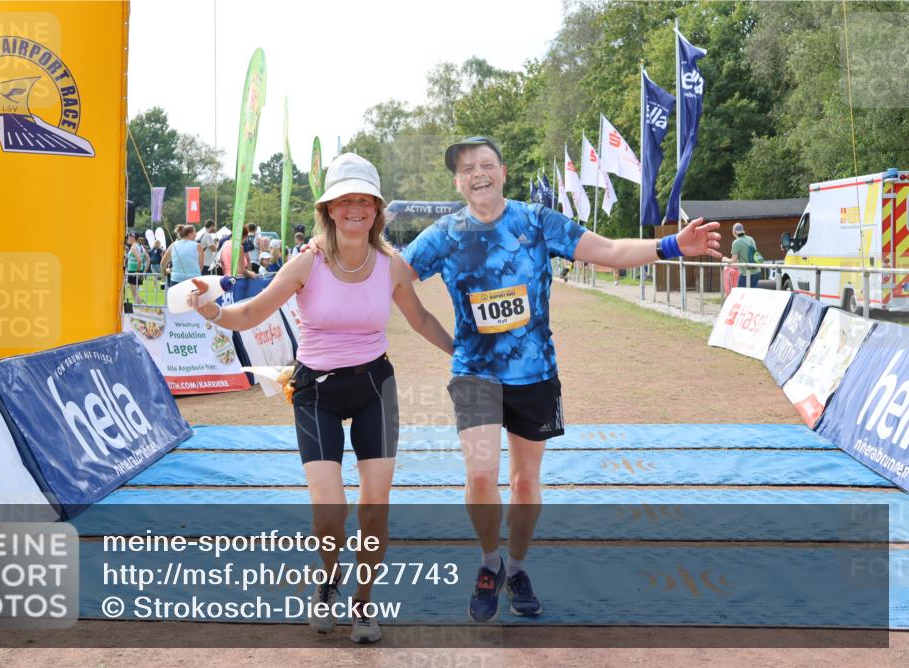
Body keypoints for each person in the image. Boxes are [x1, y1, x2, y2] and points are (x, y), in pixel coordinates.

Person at [385, 136, 720, 622]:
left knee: (524, 482)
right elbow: (388, 275)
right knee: (480, 474)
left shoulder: (537, 221)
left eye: (485, 164)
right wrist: (430, 330)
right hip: (474, 374)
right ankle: (489, 563)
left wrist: (671, 245)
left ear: (502, 171)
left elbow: (606, 250)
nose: (477, 174)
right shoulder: (444, 234)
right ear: (457, 182)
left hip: (535, 375)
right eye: (466, 169)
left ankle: (517, 568)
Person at [187, 153, 453, 644]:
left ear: (376, 209)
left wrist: (464, 354)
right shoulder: (306, 261)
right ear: (329, 209)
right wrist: (211, 311)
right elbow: (250, 313)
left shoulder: (392, 266)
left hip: (375, 386)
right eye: (344, 200)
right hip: (316, 392)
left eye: (364, 201)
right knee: (330, 514)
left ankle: (364, 603)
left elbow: (420, 319)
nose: (355, 209)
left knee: (375, 508)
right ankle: (328, 584)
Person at [724, 222, 762, 288]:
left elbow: (733, 260)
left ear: (734, 232)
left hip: (746, 273)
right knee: (752, 293)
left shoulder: (736, 242)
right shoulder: (751, 239)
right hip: (756, 271)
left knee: (740, 293)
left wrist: (725, 259)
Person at [125, 233, 145, 304]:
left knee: (135, 295)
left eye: (129, 237)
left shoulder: (133, 247)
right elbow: (147, 259)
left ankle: (141, 310)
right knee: (136, 294)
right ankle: (142, 308)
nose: (128, 238)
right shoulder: (140, 246)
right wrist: (142, 271)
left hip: (133, 272)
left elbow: (139, 260)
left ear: (133, 238)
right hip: (138, 271)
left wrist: (137, 272)